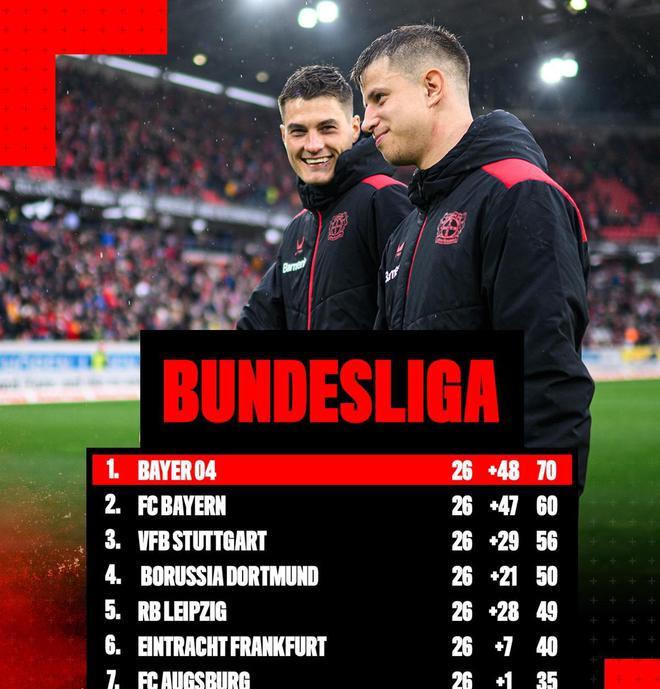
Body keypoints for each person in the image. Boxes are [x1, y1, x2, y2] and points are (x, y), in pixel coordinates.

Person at [351, 25, 594, 490]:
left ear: (431, 86)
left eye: (379, 98)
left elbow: (546, 383)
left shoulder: (519, 194)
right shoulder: (406, 229)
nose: (367, 121)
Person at [237, 65, 411, 330]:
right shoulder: (298, 228)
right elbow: (258, 321)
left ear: (354, 128)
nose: (313, 145)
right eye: (298, 131)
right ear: (284, 136)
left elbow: (416, 311)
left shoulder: (385, 198)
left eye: (327, 128)